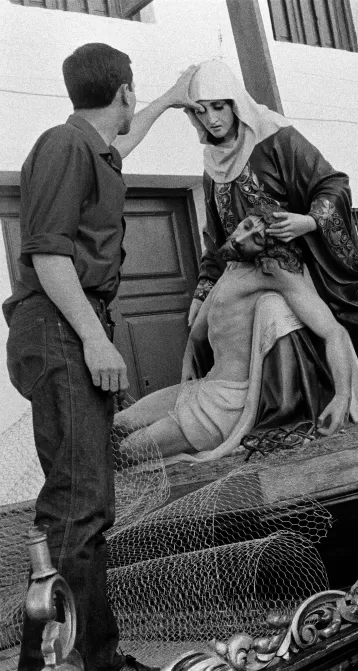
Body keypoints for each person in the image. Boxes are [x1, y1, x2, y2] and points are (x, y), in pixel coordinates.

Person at [2, 43, 198, 671]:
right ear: (122, 92)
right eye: (137, 94)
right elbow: (49, 257)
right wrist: (95, 338)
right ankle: (82, 661)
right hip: (61, 325)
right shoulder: (64, 147)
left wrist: (169, 99)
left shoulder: (88, 146)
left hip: (62, 325)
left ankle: (74, 657)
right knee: (79, 506)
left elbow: (122, 142)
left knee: (80, 503)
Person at [184, 60, 358, 432]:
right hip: (243, 278)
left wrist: (308, 221)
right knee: (202, 327)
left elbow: (334, 185)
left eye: (218, 106)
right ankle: (247, 414)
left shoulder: (277, 139)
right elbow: (218, 244)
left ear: (236, 102)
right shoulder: (212, 168)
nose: (211, 119)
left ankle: (292, 414)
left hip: (305, 272)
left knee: (276, 308)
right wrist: (201, 294)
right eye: (200, 111)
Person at [114, 206, 358, 463]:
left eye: (256, 239)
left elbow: (333, 332)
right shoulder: (231, 268)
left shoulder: (272, 273)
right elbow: (200, 331)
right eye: (245, 227)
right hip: (201, 388)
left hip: (225, 403)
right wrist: (189, 358)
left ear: (270, 249)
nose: (241, 239)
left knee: (127, 451)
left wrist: (342, 396)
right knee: (119, 424)